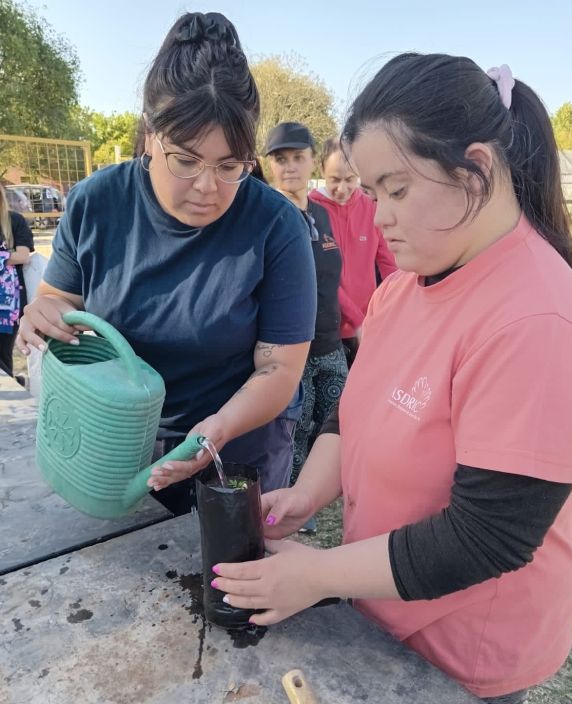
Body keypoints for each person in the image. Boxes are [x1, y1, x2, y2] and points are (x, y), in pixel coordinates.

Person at [210, 55, 572, 704]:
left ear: (476, 167)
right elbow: (351, 414)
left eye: (396, 189)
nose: (378, 215)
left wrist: (318, 574)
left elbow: (486, 538)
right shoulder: (405, 284)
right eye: (370, 190)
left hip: (465, 642)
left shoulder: (539, 318)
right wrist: (309, 492)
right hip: (384, 598)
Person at [16, 11, 317, 515]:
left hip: (238, 442)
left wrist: (215, 431)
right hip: (115, 435)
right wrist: (40, 315)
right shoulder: (95, 203)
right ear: (152, 134)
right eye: (185, 159)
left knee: (227, 576)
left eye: (229, 166)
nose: (206, 186)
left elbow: (279, 368)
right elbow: (59, 300)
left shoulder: (276, 225)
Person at [265, 122, 347, 533]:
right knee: (291, 436)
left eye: (298, 157)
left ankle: (325, 493)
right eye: (281, 159)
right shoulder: (267, 216)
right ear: (269, 165)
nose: (290, 167)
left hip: (332, 346)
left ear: (313, 159)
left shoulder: (322, 213)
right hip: (291, 353)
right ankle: (297, 511)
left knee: (336, 425)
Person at [309, 137, 396, 365]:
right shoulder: (311, 210)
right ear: (321, 171)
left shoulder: (370, 206)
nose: (342, 189)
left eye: (350, 179)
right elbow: (319, 276)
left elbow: (389, 264)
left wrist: (394, 304)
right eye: (334, 180)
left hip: (370, 322)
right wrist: (357, 320)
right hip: (329, 330)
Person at [0, 184, 34, 377]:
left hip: (8, 305)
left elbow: (23, 256)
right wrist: (6, 256)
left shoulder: (14, 221)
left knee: (3, 356)